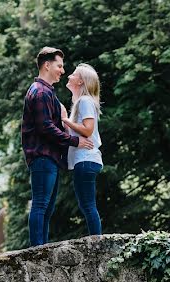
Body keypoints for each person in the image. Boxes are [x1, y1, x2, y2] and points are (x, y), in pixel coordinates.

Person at [21, 47, 95, 247]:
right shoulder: (40, 92)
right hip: (42, 157)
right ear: (47, 65)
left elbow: (52, 125)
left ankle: (41, 248)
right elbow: (45, 127)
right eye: (59, 66)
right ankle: (36, 250)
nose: (62, 71)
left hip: (50, 158)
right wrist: (75, 141)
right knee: (41, 204)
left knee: (46, 208)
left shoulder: (47, 93)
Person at [62, 64, 103, 236]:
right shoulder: (79, 103)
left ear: (80, 81)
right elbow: (72, 133)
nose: (69, 76)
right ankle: (96, 239)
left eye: (73, 74)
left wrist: (65, 119)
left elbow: (87, 129)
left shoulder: (85, 101)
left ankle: (97, 242)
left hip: (87, 159)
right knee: (85, 204)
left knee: (88, 204)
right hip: (84, 161)